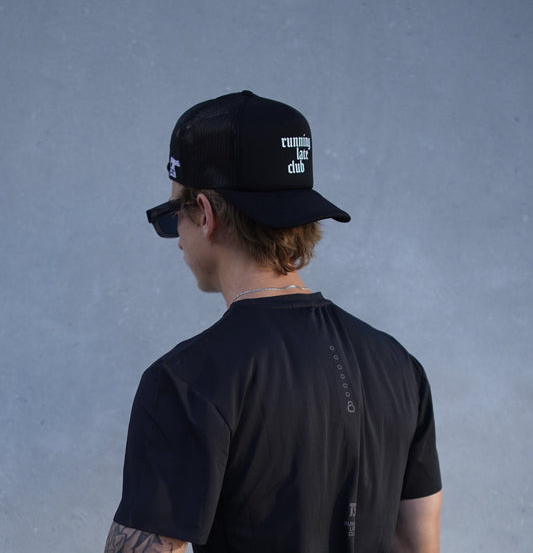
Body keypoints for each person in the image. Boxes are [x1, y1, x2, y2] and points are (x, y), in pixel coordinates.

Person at [105, 90, 442, 553]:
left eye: (171, 216)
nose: (175, 237)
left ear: (205, 214)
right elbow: (417, 543)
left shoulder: (187, 381)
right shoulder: (400, 367)